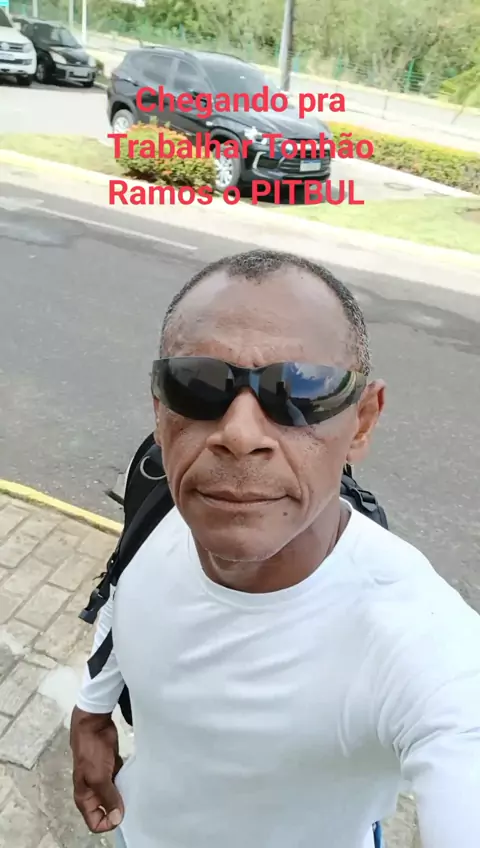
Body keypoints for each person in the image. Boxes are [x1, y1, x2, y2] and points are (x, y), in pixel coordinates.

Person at [70, 248, 480, 848]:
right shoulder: (170, 507)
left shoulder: (423, 644)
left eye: (300, 387)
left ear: (363, 421)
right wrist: (91, 710)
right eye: (198, 384)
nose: (239, 435)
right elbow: (123, 593)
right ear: (161, 412)